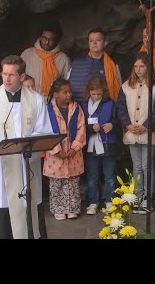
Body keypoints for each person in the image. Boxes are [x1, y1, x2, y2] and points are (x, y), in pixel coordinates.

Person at [0, 55, 52, 239]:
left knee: (25, 205)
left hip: (24, 166)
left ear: (22, 76)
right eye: (4, 74)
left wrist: (28, 148)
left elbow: (43, 131)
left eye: (11, 75)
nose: (6, 78)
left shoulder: (36, 100)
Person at [116, 52, 155, 214]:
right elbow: (121, 108)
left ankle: (147, 199)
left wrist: (146, 126)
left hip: (148, 133)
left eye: (142, 66)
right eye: (136, 66)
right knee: (137, 166)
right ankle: (137, 197)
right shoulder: (125, 86)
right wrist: (127, 125)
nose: (138, 69)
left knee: (147, 165)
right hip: (131, 132)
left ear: (148, 67)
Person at [43, 79, 86, 220]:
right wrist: (56, 150)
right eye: (65, 92)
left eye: (70, 92)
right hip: (55, 155)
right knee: (57, 182)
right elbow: (46, 132)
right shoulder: (48, 110)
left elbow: (81, 129)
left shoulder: (76, 108)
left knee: (73, 182)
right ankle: (58, 209)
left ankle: (72, 208)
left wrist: (75, 147)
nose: (69, 95)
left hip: (73, 153)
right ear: (56, 94)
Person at [80, 77, 117, 215]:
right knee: (92, 176)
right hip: (90, 145)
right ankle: (93, 202)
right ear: (88, 92)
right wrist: (90, 128)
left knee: (109, 176)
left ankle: (110, 200)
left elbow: (117, 119)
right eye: (93, 94)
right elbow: (79, 124)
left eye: (99, 94)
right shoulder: (83, 105)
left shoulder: (110, 103)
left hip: (108, 143)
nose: (96, 97)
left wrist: (112, 124)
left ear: (104, 92)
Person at [20, 20, 71, 99]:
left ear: (57, 39)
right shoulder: (27, 54)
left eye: (51, 39)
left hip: (53, 103)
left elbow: (67, 84)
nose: (47, 42)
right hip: (29, 100)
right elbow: (18, 78)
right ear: (40, 37)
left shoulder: (63, 59)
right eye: (44, 38)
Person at [69, 28, 122, 103]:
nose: (94, 43)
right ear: (88, 43)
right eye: (91, 40)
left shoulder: (112, 65)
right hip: (77, 109)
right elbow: (66, 86)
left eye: (98, 40)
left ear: (105, 43)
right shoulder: (76, 63)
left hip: (101, 111)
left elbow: (119, 89)